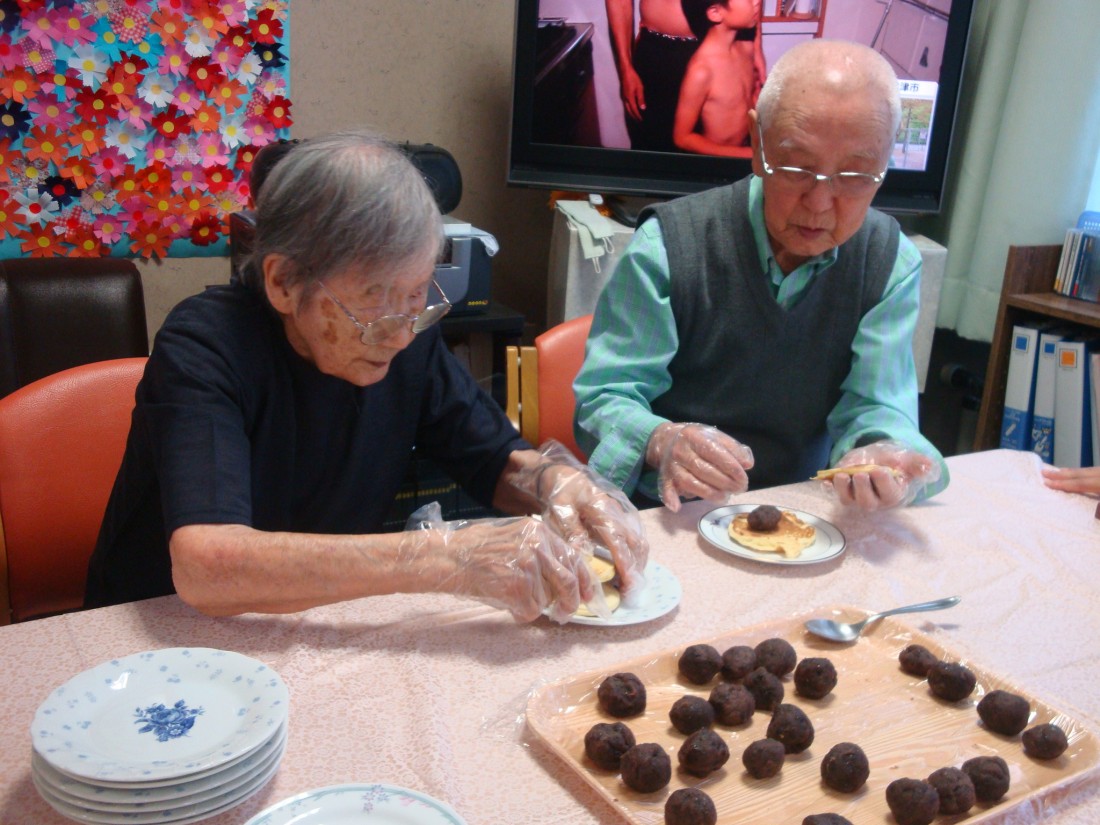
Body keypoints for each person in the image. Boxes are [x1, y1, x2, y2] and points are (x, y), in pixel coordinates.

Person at [84, 129, 648, 623]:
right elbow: (205, 564)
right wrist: (446, 558)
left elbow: (493, 459)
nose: (402, 335)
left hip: (317, 619)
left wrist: (557, 484)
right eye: (375, 307)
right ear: (283, 282)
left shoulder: (408, 336)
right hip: (166, 634)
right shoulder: (205, 345)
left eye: (418, 299)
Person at [574, 39, 947, 512]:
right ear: (757, 143)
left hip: (808, 507)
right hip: (677, 510)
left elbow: (877, 407)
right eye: (795, 168)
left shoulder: (888, 262)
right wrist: (661, 439)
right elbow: (602, 399)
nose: (819, 203)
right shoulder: (670, 245)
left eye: (854, 176)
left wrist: (880, 454)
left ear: (885, 164)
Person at [606, 0, 699, 152]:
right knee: (651, 148)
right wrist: (626, 69)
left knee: (710, 163)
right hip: (655, 55)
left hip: (718, 54)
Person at [674, 0, 763, 157]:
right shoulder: (702, 71)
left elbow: (747, 103)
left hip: (746, 151)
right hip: (716, 165)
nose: (757, 2)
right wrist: (749, 154)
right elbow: (682, 138)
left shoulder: (745, 48)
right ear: (715, 13)